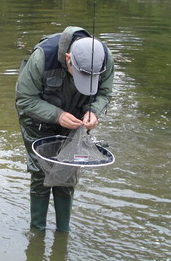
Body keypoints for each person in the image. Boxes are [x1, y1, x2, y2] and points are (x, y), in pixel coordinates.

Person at [15, 26, 114, 233]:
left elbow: (104, 93)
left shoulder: (104, 58)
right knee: (41, 174)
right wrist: (56, 115)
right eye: (80, 75)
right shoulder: (43, 57)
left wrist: (93, 112)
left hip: (76, 122)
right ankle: (37, 231)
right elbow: (24, 99)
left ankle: (63, 231)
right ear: (68, 58)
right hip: (38, 121)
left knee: (68, 173)